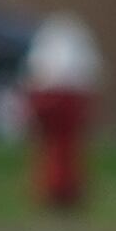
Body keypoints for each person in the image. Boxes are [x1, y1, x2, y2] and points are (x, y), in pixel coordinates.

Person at [19, 12, 103, 213]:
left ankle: (57, 191)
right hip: (67, 96)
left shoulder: (50, 40)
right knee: (62, 148)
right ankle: (60, 191)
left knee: (56, 147)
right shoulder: (73, 39)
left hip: (53, 95)